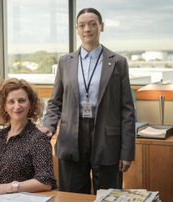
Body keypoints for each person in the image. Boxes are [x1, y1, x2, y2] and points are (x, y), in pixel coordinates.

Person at [40, 8, 135, 194]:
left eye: (92, 24)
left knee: (108, 195)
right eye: (82, 25)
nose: (87, 29)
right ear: (77, 29)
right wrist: (48, 126)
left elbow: (127, 110)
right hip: (71, 137)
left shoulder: (119, 62)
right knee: (72, 194)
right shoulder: (64, 62)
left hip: (107, 139)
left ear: (101, 27)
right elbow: (55, 102)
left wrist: (126, 152)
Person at [0, 78, 57, 196]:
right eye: (11, 102)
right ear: (4, 106)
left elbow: (45, 182)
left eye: (22, 100)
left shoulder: (39, 139)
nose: (17, 106)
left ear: (30, 104)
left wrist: (5, 188)